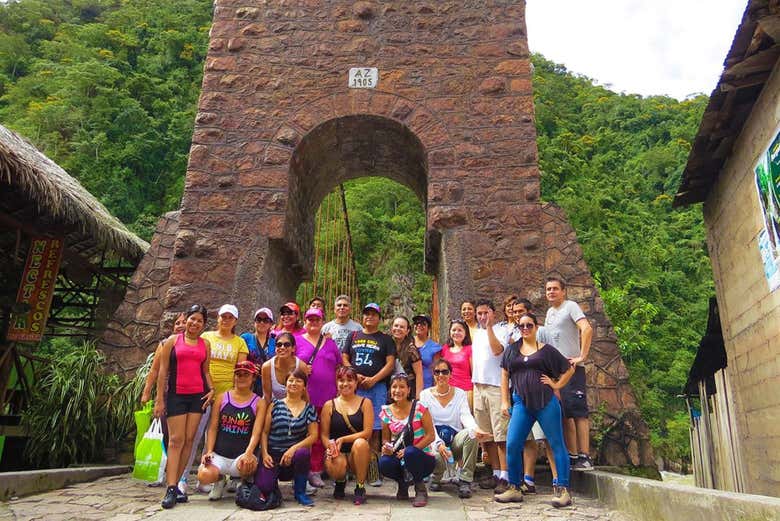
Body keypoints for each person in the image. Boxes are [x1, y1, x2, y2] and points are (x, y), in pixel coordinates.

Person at [496, 312, 575, 508]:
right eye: (521, 326)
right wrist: (505, 401)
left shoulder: (547, 351)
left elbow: (569, 368)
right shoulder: (512, 350)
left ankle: (563, 489)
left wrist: (556, 385)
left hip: (546, 401)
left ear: (536, 327)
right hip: (521, 403)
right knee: (513, 443)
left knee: (557, 443)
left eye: (529, 325)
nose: (525, 329)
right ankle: (514, 487)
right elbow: (505, 375)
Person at [154, 304, 214, 509]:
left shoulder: (205, 344)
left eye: (199, 320)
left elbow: (205, 371)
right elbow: (163, 372)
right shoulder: (172, 341)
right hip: (176, 395)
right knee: (175, 440)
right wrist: (159, 399)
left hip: (197, 396)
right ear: (186, 319)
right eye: (192, 318)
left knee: (189, 440)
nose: (194, 323)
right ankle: (170, 488)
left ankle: (177, 485)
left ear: (204, 325)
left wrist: (212, 389)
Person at [341, 303, 396, 487]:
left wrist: (374, 378)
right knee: (352, 425)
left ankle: (373, 470)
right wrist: (354, 374)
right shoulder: (354, 335)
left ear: (379, 318)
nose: (370, 317)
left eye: (373, 315)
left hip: (377, 387)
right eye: (367, 314)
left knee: (374, 430)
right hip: (355, 386)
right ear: (362, 317)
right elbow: (345, 357)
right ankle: (351, 467)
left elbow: (390, 363)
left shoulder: (385, 339)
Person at [420, 359, 490, 498]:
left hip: (454, 440)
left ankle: (465, 479)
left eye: (445, 372)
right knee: (437, 456)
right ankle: (436, 477)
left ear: (450, 374)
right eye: (437, 372)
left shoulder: (460, 394)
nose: (441, 375)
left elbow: (465, 416)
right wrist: (438, 443)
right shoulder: (425, 395)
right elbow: (427, 424)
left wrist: (476, 429)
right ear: (433, 375)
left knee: (471, 434)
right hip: (433, 440)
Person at [544, 276, 594, 471]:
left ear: (563, 291)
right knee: (564, 413)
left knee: (578, 412)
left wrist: (582, 356)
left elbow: (586, 328)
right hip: (555, 369)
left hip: (571, 366)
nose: (551, 292)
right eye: (548, 289)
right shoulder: (550, 312)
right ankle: (573, 455)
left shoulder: (570, 306)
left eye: (555, 289)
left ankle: (585, 456)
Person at [197, 361, 265, 501]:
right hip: (220, 454)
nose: (241, 378)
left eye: (246, 374)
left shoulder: (258, 402)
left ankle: (242, 481)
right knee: (204, 475)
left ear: (253, 378)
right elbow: (213, 427)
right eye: (238, 374)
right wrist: (209, 451)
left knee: (248, 464)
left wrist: (249, 452)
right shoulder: (222, 398)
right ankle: (219, 481)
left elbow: (257, 432)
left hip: (241, 456)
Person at [512, 298, 558, 493]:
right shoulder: (514, 335)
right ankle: (527, 480)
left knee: (549, 438)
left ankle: (558, 481)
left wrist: (555, 386)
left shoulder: (542, 333)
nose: (516, 314)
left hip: (543, 396)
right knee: (524, 439)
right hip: (520, 396)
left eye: (520, 311)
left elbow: (555, 360)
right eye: (514, 312)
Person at [294, 307, 341, 488]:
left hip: (327, 396)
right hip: (305, 397)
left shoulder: (330, 343)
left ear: (322, 322)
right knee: (304, 433)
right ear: (304, 321)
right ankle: (301, 469)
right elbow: (288, 365)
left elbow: (338, 366)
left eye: (317, 319)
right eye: (310, 319)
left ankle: (315, 470)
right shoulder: (297, 341)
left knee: (322, 433)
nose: (313, 322)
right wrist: (301, 368)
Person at [257, 368, 318, 506]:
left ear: (304, 386)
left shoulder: (309, 408)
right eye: (291, 380)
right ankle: (272, 486)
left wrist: (293, 449)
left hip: (293, 458)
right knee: (265, 488)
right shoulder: (275, 405)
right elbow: (265, 432)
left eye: (298, 381)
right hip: (272, 456)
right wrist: (265, 453)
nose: (294, 383)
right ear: (286, 385)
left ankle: (300, 492)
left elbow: (314, 436)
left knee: (303, 453)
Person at [379, 374, 436, 507]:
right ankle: (402, 484)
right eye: (394, 387)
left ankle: (420, 488)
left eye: (402, 387)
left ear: (409, 390)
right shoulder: (386, 412)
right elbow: (385, 439)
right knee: (383, 463)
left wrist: (412, 449)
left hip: (422, 458)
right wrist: (386, 447)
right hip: (399, 456)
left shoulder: (420, 408)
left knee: (411, 453)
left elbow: (430, 435)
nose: (398, 390)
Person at [320, 366, 374, 505]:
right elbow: (324, 435)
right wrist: (331, 447)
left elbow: (367, 432)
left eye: (349, 380)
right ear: (336, 383)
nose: (345, 384)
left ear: (356, 383)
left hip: (357, 453)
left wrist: (343, 439)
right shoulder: (329, 405)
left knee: (361, 443)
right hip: (338, 453)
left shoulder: (365, 403)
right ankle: (340, 481)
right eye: (341, 380)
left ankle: (360, 487)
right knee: (337, 463)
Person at [472, 298, 510, 494]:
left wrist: (489, 329)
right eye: (479, 314)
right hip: (478, 387)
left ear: (493, 313)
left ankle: (506, 475)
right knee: (487, 435)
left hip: (496, 387)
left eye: (486, 313)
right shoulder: (475, 334)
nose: (482, 317)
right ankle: (495, 472)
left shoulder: (502, 331)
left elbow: (497, 351)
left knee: (501, 435)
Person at [140, 312, 186, 404]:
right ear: (173, 327)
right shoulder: (165, 343)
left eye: (184, 322)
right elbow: (154, 370)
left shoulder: (198, 344)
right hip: (169, 391)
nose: (181, 325)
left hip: (191, 392)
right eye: (177, 323)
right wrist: (146, 392)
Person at [241, 307, 276, 396]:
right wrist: (250, 366)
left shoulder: (275, 342)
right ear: (254, 322)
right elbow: (240, 361)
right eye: (259, 319)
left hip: (268, 383)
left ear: (271, 323)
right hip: (249, 382)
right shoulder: (246, 338)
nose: (262, 322)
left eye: (266, 320)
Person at [440, 319, 473, 407]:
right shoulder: (445, 348)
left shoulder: (469, 349)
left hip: (465, 390)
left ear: (465, 333)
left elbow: (473, 372)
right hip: (447, 390)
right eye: (454, 330)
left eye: (460, 330)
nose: (456, 332)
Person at [261, 332, 302, 402]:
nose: (282, 347)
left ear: (293, 348)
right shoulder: (267, 367)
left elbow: (303, 394)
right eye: (279, 345)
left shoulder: (301, 366)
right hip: (273, 407)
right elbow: (267, 396)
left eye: (287, 345)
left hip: (295, 406)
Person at [391, 316, 423, 399]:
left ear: (407, 331)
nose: (398, 329)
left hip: (407, 390)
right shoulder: (387, 344)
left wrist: (418, 397)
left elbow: (419, 374)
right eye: (396, 325)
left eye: (402, 327)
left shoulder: (411, 349)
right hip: (391, 389)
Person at [411, 314, 442, 390]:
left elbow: (436, 370)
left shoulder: (435, 347)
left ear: (429, 327)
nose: (419, 325)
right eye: (416, 323)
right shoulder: (408, 342)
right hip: (407, 385)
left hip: (426, 386)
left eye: (423, 324)